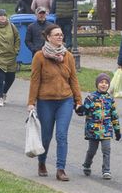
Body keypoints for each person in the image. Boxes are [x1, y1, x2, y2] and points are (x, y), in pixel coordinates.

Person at [27, 23, 82, 180]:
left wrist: (78, 100)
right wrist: (31, 102)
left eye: (61, 34)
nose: (60, 37)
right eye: (56, 35)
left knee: (62, 135)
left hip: (65, 100)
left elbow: (74, 80)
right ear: (48, 37)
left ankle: (60, 169)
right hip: (46, 101)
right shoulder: (39, 56)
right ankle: (42, 162)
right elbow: (35, 81)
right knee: (46, 136)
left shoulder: (68, 56)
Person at [78, 72, 121, 180]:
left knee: (106, 150)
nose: (103, 84)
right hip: (93, 130)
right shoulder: (91, 98)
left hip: (106, 130)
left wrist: (117, 130)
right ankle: (87, 165)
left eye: (106, 83)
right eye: (101, 82)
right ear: (97, 84)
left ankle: (106, 170)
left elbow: (114, 115)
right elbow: (84, 112)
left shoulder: (110, 99)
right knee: (92, 150)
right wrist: (80, 109)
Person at [0, 8, 21, 107]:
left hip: (10, 56)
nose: (2, 17)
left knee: (11, 78)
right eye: (0, 15)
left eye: (4, 15)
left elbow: (17, 39)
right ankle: (0, 97)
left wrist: (16, 50)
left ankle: (4, 92)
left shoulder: (12, 26)